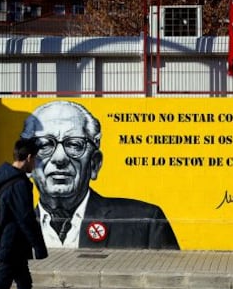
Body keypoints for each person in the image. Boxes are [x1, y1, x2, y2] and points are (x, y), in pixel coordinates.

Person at [20, 100, 180, 249]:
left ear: (94, 163)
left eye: (75, 145)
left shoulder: (146, 222)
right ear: (28, 163)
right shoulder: (11, 225)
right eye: (44, 145)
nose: (60, 158)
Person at [0, 138, 48, 289]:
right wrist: (39, 246)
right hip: (12, 243)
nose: (35, 164)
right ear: (29, 157)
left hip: (12, 241)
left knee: (24, 283)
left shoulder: (4, 177)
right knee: (2, 283)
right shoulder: (19, 184)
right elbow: (25, 217)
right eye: (35, 159)